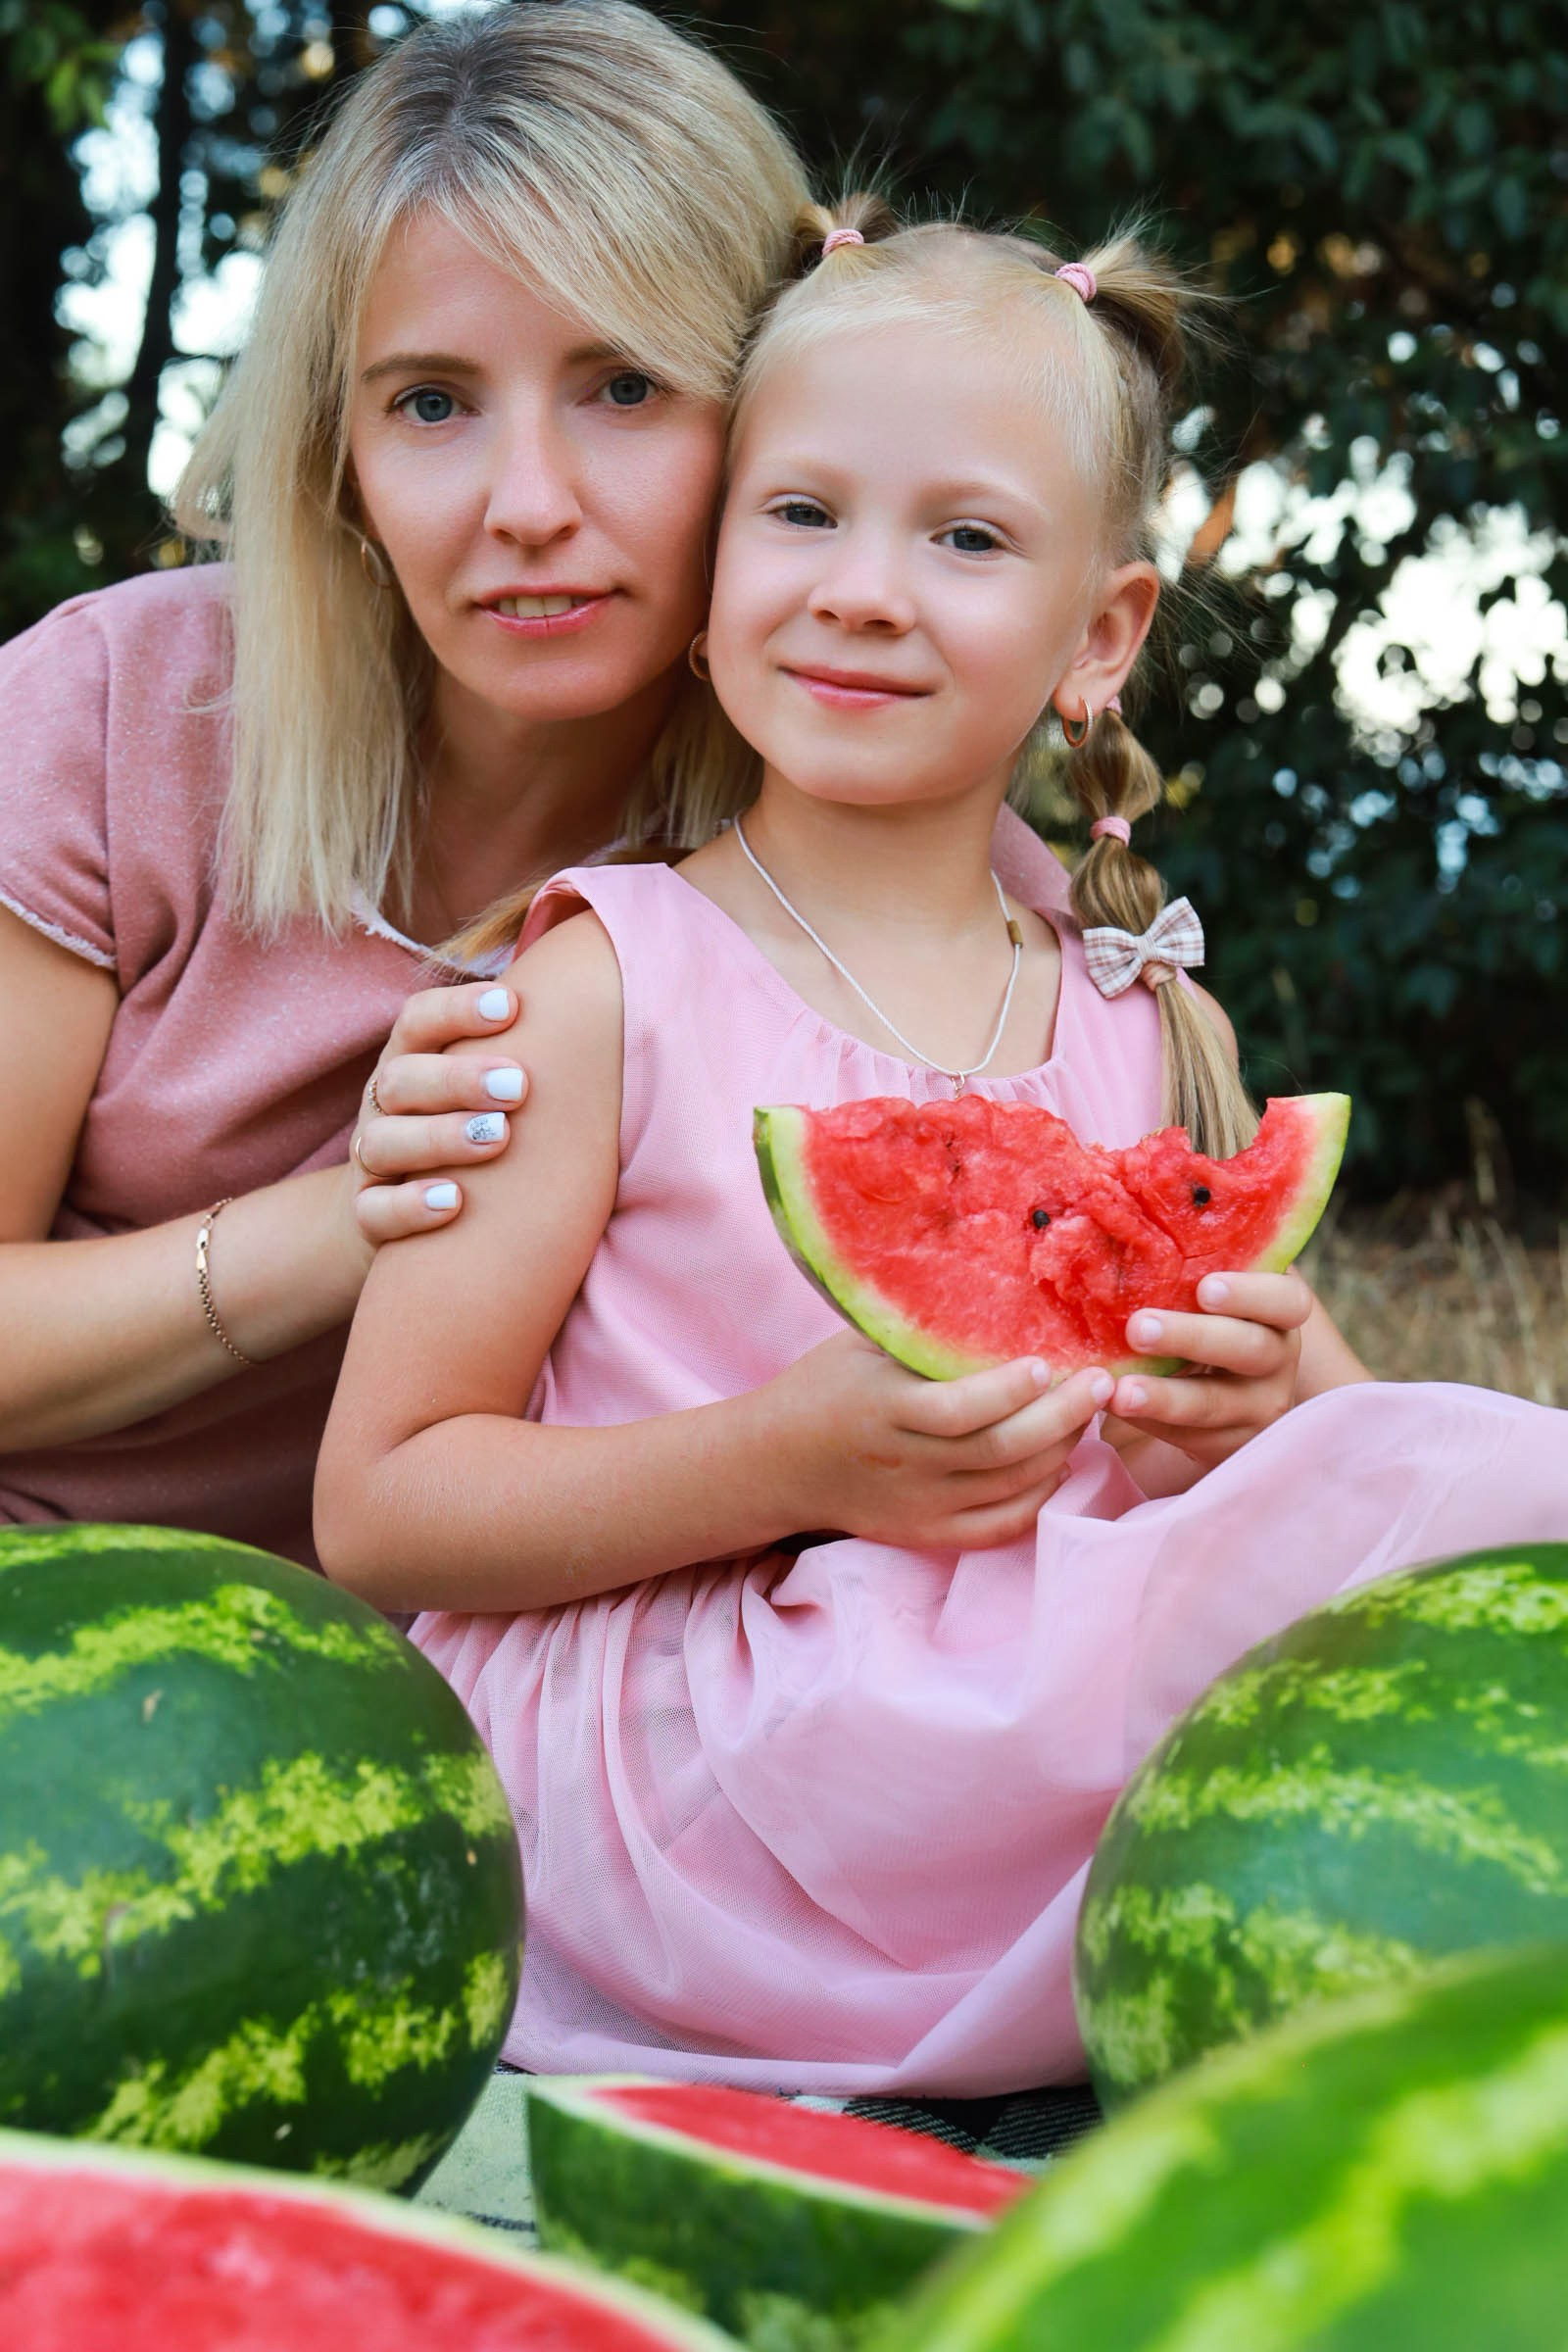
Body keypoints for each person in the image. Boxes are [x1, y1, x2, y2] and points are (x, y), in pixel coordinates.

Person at [315, 202, 1568, 2093]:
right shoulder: (595, 984)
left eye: (965, 539)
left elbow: (1288, 1459)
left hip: (1022, 1734)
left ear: (1099, 637)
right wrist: (782, 1461)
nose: (864, 591)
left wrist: (1273, 1405)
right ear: (714, 565)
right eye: (801, 514)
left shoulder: (1150, 1015)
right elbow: (382, 1506)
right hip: (696, 1767)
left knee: (1483, 1497)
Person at [0, 2, 809, 1561]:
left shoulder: (864, 835)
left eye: (625, 386)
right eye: (432, 403)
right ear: (342, 456)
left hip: (506, 1659)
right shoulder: (114, 709)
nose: (528, 504)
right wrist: (349, 1217)